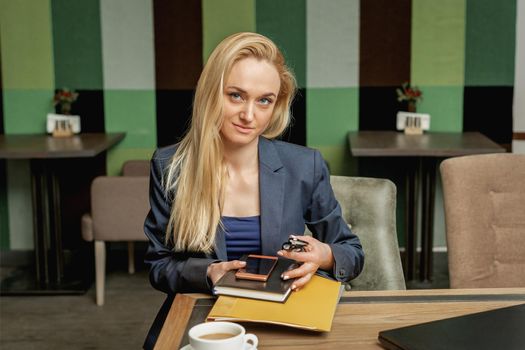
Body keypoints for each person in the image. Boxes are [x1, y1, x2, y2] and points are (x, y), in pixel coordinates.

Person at [143, 32, 364, 349]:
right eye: (235, 95)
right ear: (211, 93)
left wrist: (325, 255)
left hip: (279, 321)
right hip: (201, 323)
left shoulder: (305, 165)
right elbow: (158, 266)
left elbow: (351, 252)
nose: (249, 115)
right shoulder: (169, 165)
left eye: (264, 100)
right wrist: (208, 273)